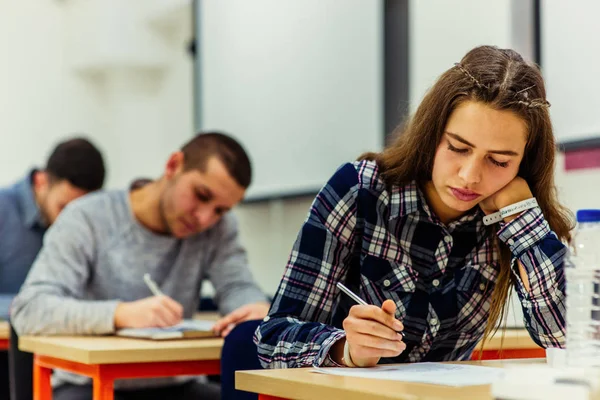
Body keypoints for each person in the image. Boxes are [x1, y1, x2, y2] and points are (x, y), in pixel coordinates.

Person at [255, 45, 573, 369]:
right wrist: (346, 349)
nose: (470, 176)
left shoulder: (513, 218)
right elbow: (272, 339)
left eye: (499, 161)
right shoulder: (360, 191)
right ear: (432, 133)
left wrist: (522, 219)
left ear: (523, 163)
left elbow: (565, 337)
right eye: (458, 148)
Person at [11, 132, 270, 399]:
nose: (205, 218)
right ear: (173, 166)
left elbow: (237, 286)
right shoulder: (86, 217)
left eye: (220, 210)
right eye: (201, 195)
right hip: (87, 384)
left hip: (177, 384)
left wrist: (254, 309)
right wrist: (120, 314)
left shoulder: (219, 230)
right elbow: (30, 308)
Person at [0, 137, 105, 400]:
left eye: (81, 211)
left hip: (65, 356)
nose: (72, 221)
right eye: (64, 208)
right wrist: (37, 308)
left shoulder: (90, 225)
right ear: (41, 182)